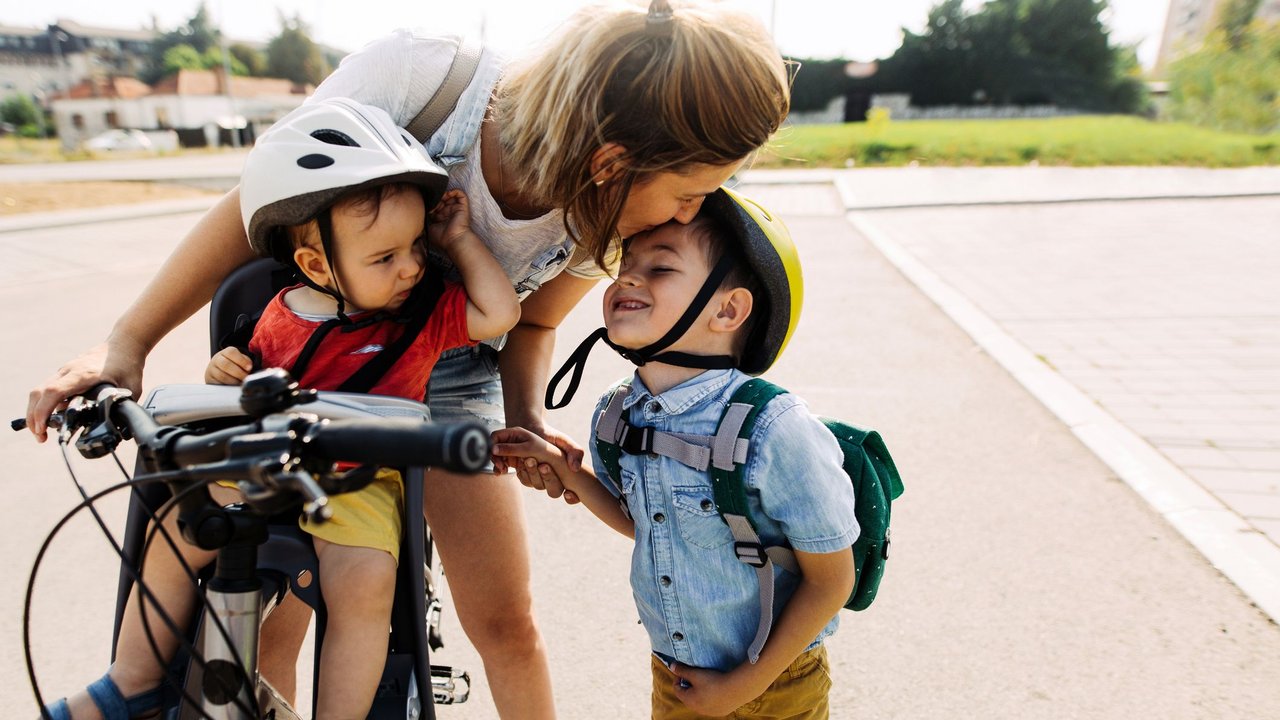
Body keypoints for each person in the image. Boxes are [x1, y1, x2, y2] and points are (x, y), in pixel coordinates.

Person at [26, 2, 791, 715]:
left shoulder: (596, 220)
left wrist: (523, 421)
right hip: (309, 351)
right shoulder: (424, 82)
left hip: (454, 369)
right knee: (274, 609)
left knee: (505, 618)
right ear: (611, 160)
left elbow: (529, 326)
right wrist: (128, 343)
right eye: (690, 192)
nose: (691, 216)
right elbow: (252, 204)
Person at [42, 98, 519, 720]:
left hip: (360, 481)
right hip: (270, 464)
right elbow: (257, 380)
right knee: (177, 525)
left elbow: (501, 314)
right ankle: (132, 680)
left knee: (364, 584)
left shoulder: (424, 317)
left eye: (413, 246)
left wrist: (454, 241)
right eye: (385, 257)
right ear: (316, 264)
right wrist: (226, 372)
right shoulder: (284, 312)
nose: (410, 267)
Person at [493, 189, 858, 719]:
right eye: (625, 264)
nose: (627, 279)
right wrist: (565, 471)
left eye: (660, 267)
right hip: (676, 677)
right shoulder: (617, 415)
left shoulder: (775, 430)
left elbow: (831, 580)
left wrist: (746, 684)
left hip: (776, 683)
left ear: (728, 309)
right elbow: (646, 522)